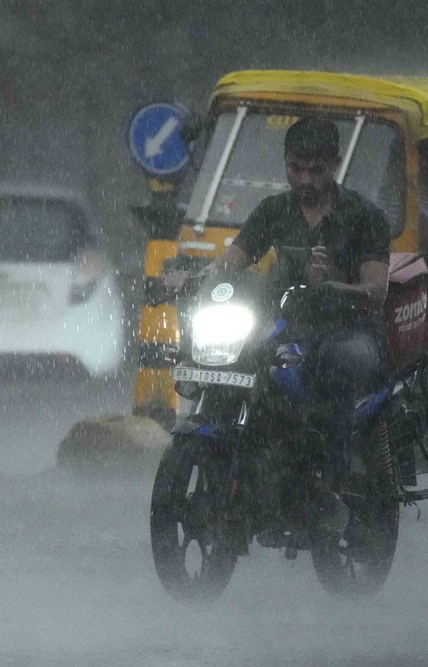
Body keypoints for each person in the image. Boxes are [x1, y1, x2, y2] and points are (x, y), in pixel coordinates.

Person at [165, 117, 391, 533]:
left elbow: (376, 289)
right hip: (287, 324)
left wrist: (332, 286)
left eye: (315, 170)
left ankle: (331, 485)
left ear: (336, 164)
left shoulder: (365, 216)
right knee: (246, 359)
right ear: (285, 162)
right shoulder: (273, 210)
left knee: (334, 363)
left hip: (349, 329)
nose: (303, 179)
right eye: (295, 168)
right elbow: (232, 262)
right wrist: (194, 279)